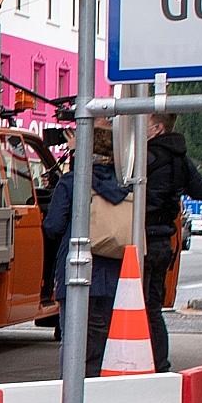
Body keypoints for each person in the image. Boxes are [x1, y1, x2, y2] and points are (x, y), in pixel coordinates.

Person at [43, 126, 129, 377]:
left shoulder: (72, 182)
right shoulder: (125, 184)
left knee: (73, 340)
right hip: (113, 271)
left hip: (76, 271)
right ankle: (96, 387)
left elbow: (53, 225)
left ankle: (72, 392)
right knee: (102, 339)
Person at [143, 113, 202, 372]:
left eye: (145, 124)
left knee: (132, 304)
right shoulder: (180, 158)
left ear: (158, 128)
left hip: (141, 236)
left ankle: (137, 361)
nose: (140, 129)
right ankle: (159, 364)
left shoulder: (144, 157)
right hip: (164, 239)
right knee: (153, 307)